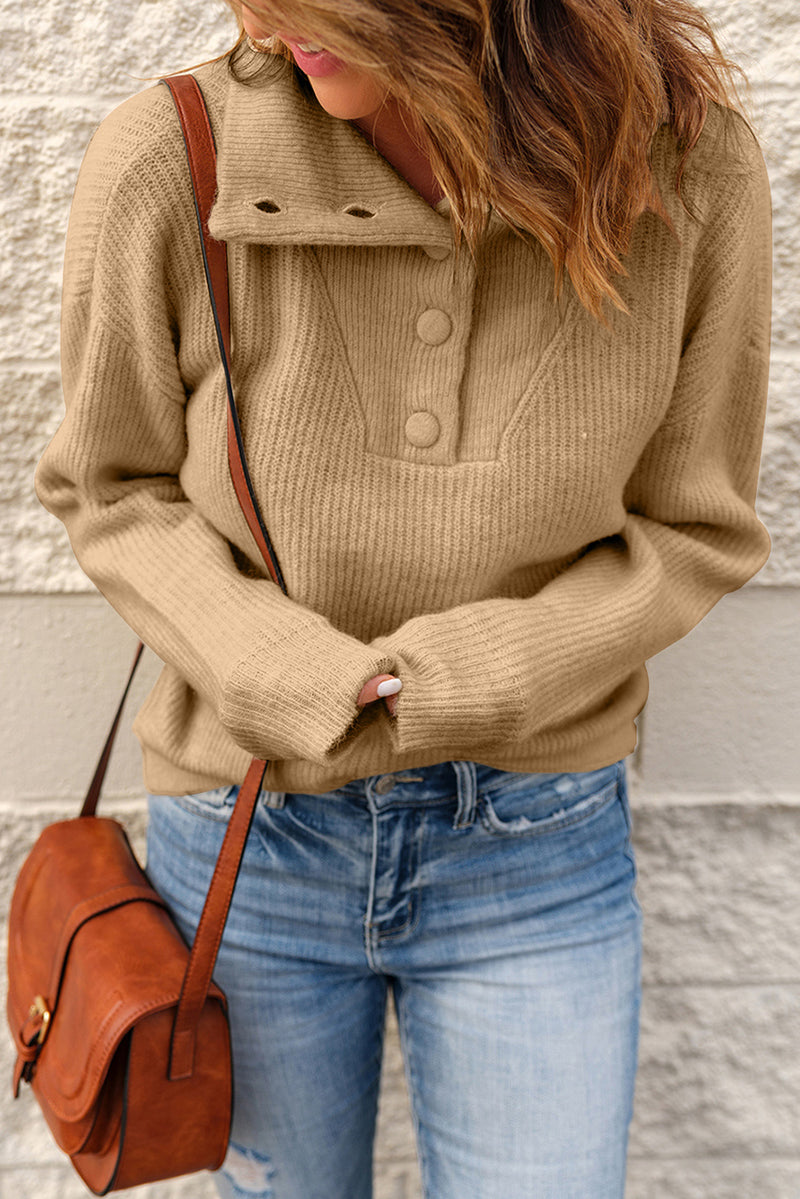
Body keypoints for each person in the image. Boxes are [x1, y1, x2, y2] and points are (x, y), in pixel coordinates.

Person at [34, 0, 772, 1193]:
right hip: (248, 830)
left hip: (534, 844)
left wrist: (480, 674)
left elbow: (693, 526)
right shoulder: (174, 152)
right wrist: (278, 666)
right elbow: (108, 484)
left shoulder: (691, 173)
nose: (265, 17)